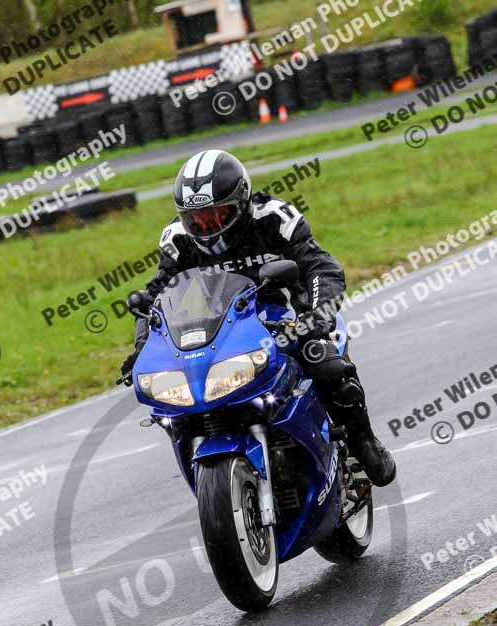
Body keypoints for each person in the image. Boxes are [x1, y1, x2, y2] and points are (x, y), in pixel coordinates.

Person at [121, 149, 396, 486]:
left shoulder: (275, 219)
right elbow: (156, 299)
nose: (207, 228)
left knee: (328, 365)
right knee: (174, 397)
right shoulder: (178, 239)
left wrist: (317, 317)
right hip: (220, 329)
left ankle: (363, 441)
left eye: (217, 216)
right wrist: (142, 348)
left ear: (241, 201)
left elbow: (322, 268)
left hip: (287, 320)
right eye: (197, 220)